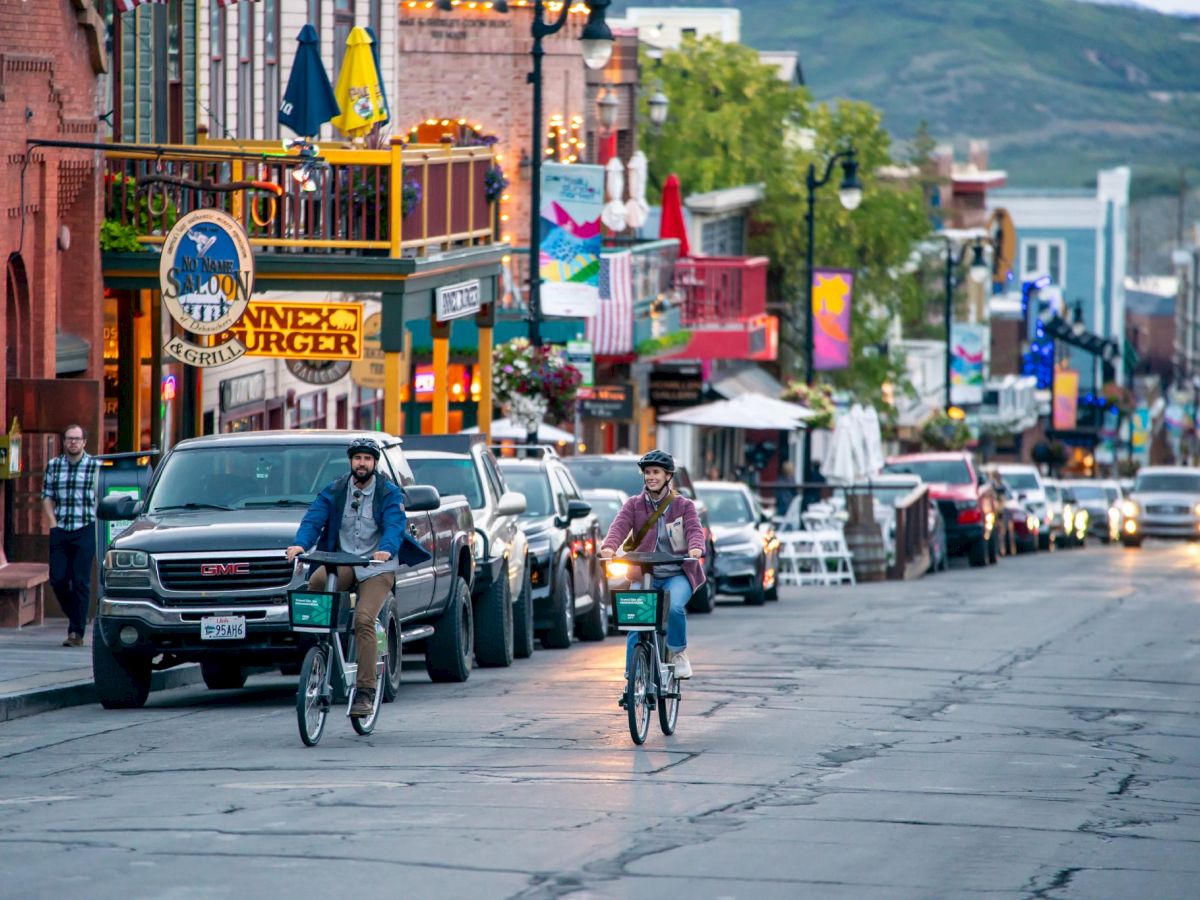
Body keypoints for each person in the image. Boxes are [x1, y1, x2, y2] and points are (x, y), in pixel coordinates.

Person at [286, 437, 431, 717]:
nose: (361, 463)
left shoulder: (388, 493)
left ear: (374, 463)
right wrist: (301, 544)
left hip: (376, 567)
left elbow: (394, 526)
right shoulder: (336, 489)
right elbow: (313, 519)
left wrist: (386, 551)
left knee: (364, 619)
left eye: (367, 459)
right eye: (357, 458)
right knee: (315, 584)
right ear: (350, 461)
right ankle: (322, 650)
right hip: (345, 561)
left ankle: (365, 690)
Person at [600, 449, 705, 679]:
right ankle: (633, 677)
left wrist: (696, 547)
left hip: (676, 573)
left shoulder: (683, 505)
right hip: (644, 574)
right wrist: (609, 546)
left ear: (668, 476)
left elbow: (694, 529)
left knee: (675, 608)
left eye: (656, 472)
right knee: (636, 620)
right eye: (647, 472)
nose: (651, 477)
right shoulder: (633, 504)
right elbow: (619, 527)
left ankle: (678, 654)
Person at [42, 424, 101, 647]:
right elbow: (47, 496)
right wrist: (53, 522)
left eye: (77, 439)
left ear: (84, 442)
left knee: (80, 581)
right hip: (61, 528)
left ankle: (76, 632)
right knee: (57, 579)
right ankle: (77, 615)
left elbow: (102, 496)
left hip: (85, 527)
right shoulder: (54, 466)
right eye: (69, 439)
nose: (73, 442)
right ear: (63, 442)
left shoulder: (96, 466)